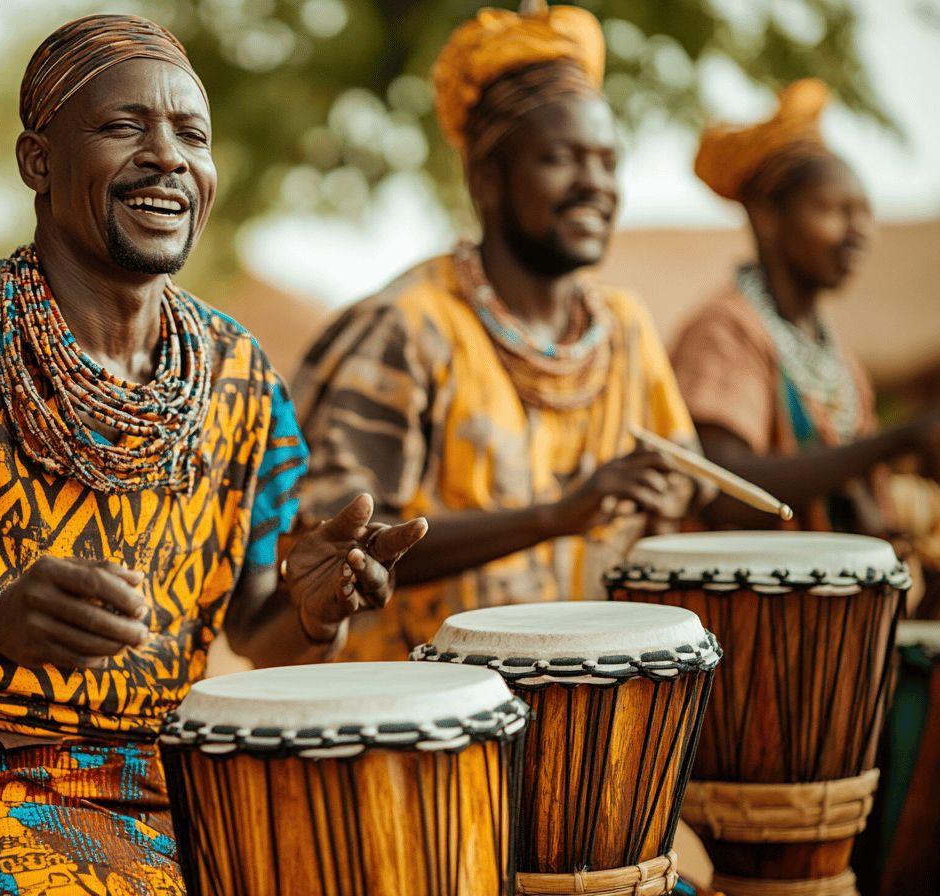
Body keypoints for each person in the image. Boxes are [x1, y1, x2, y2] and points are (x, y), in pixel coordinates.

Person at [0, 15, 426, 895]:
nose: (168, 157)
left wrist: (309, 610)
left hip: (177, 796)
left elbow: (255, 633)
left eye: (193, 134)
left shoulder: (239, 377)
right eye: (124, 128)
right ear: (37, 161)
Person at [291, 0, 705, 663]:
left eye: (607, 161)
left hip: (598, 712)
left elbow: (690, 492)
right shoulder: (407, 325)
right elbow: (342, 551)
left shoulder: (625, 328)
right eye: (561, 159)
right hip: (424, 724)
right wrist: (556, 515)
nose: (595, 184)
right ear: (487, 178)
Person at [672, 79, 940, 537]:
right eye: (834, 209)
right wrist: (896, 441)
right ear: (767, 217)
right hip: (748, 604)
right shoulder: (725, 331)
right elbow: (723, 489)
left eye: (863, 213)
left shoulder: (828, 347)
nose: (859, 231)